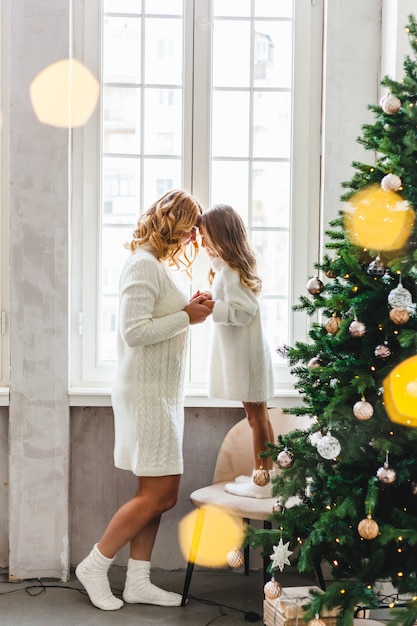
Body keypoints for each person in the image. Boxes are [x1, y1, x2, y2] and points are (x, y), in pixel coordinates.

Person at [75, 189, 212, 611]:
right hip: (146, 394)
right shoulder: (141, 264)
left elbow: (157, 320)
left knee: (155, 488)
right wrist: (186, 317)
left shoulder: (156, 265)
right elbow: (135, 332)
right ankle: (95, 564)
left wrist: (185, 310)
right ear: (173, 221)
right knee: (160, 493)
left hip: (162, 394)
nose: (193, 237)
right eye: (190, 227)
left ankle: (138, 581)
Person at [198, 203, 275, 498]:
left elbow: (243, 311)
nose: (202, 243)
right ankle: (265, 476)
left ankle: (262, 481)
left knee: (257, 420)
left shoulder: (229, 273)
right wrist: (213, 301)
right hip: (249, 357)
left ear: (221, 236)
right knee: (260, 418)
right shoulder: (228, 272)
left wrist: (212, 308)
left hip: (246, 360)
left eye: (205, 237)